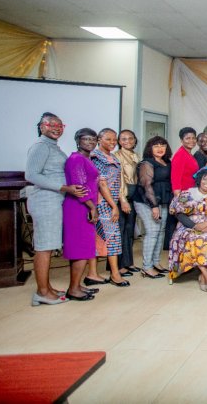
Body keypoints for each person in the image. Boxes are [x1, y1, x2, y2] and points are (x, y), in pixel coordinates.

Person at [168, 169, 207, 291]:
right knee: (192, 238)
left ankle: (203, 275)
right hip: (188, 225)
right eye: (205, 179)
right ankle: (205, 275)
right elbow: (178, 213)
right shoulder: (186, 194)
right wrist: (194, 226)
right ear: (199, 180)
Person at [62, 128, 100, 301]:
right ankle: (73, 289)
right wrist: (92, 207)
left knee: (84, 248)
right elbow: (79, 187)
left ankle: (76, 285)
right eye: (86, 139)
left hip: (85, 205)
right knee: (80, 248)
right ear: (78, 140)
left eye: (93, 139)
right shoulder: (76, 159)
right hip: (79, 207)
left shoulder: (86, 158)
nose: (91, 142)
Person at [89, 128, 128, 288]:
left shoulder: (112, 157)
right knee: (112, 238)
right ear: (99, 139)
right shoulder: (96, 157)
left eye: (114, 140)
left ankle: (92, 273)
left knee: (101, 239)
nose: (112, 142)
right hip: (103, 203)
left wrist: (120, 200)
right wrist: (114, 206)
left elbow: (116, 183)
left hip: (111, 201)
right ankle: (115, 274)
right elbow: (102, 183)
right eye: (108, 139)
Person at [134, 136, 173, 279]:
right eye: (156, 146)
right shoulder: (146, 163)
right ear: (150, 148)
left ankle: (156, 262)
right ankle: (147, 267)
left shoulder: (167, 162)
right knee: (152, 231)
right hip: (146, 201)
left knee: (161, 231)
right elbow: (146, 185)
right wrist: (154, 206)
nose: (160, 148)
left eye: (162, 145)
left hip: (162, 200)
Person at [115, 129, 140, 276]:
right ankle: (118, 265)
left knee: (130, 230)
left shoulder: (136, 155)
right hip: (122, 196)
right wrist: (123, 200)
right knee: (121, 230)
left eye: (130, 138)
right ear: (119, 141)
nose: (128, 141)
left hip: (133, 194)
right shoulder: (117, 156)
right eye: (123, 139)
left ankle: (128, 262)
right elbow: (119, 180)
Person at [171, 127, 198, 196]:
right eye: (188, 138)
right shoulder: (180, 155)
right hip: (184, 195)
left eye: (193, 138)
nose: (191, 140)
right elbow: (175, 179)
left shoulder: (188, 154)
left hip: (191, 192)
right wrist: (179, 199)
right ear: (181, 140)